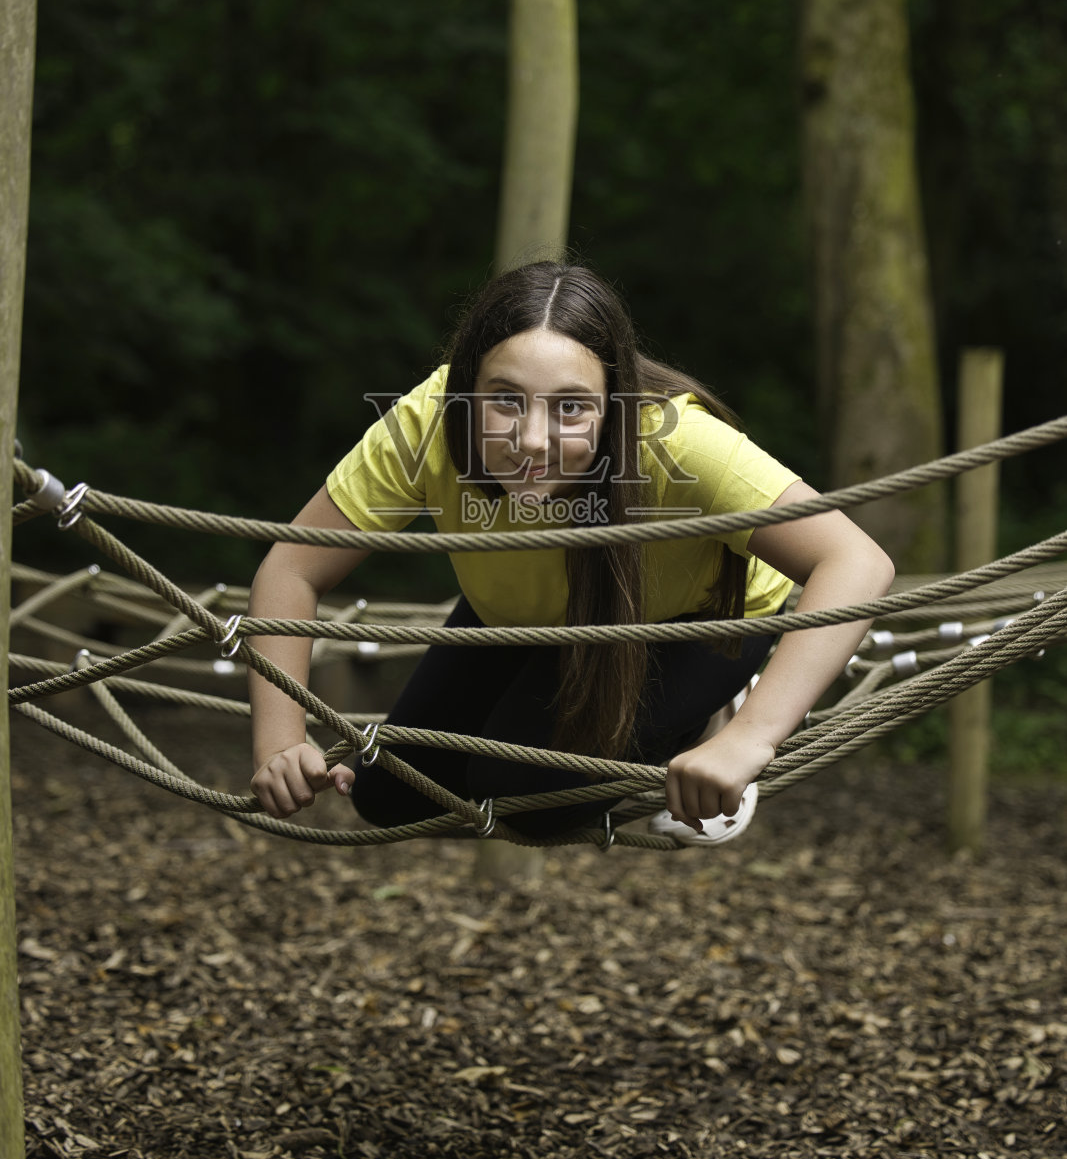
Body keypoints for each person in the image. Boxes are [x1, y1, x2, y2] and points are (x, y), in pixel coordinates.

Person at [248, 261, 894, 841]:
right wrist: (278, 742)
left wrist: (750, 738)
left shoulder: (676, 444)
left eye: (571, 408)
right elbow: (293, 568)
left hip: (687, 622)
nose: (532, 440)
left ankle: (710, 713)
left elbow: (856, 562)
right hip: (521, 616)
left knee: (528, 801)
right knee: (388, 797)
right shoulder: (427, 424)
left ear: (612, 407)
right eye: (505, 399)